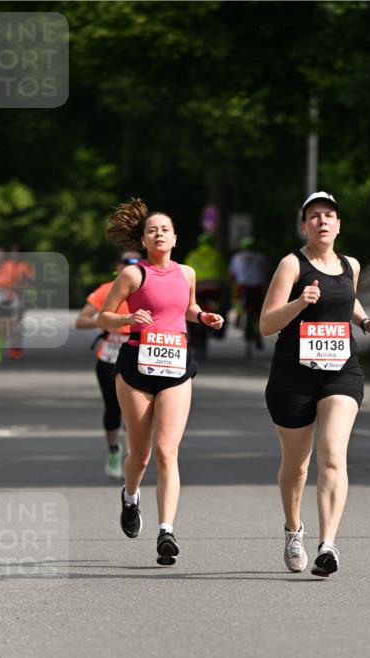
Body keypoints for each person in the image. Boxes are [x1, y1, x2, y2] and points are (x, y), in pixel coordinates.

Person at [260, 191, 370, 577]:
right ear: (304, 226)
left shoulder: (351, 264)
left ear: (339, 224)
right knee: (297, 467)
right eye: (314, 217)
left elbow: (346, 301)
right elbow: (266, 324)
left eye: (329, 216)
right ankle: (293, 528)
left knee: (333, 455)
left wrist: (364, 322)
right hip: (293, 376)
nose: (323, 222)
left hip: (340, 371)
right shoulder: (291, 265)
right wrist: (299, 303)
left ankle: (327, 545)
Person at [97, 197, 223, 566]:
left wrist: (204, 317)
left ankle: (166, 530)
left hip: (176, 364)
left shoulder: (186, 273)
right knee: (141, 453)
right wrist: (128, 319)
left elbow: (187, 309)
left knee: (168, 451)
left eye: (165, 229)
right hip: (137, 364)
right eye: (152, 230)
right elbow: (105, 316)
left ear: (174, 237)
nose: (159, 235)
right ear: (144, 239)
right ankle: (131, 495)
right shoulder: (134, 274)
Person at [75, 249, 141, 479]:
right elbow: (81, 320)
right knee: (113, 408)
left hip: (137, 355)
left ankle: (130, 459)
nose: (131, 265)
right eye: (126, 262)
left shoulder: (146, 290)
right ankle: (114, 450)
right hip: (109, 356)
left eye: (136, 262)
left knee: (134, 410)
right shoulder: (106, 290)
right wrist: (104, 322)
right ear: (118, 266)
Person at [183, 233, 228, 360]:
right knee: (223, 305)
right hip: (215, 288)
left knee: (190, 308)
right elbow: (224, 272)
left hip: (199, 288)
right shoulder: (217, 255)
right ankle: (220, 327)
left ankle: (191, 334)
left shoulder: (192, 255)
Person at [229, 236, 269, 357]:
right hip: (257, 288)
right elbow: (266, 271)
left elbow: (232, 274)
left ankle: (238, 315)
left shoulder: (237, 257)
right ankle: (258, 334)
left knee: (238, 299)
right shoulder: (261, 257)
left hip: (243, 287)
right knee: (258, 312)